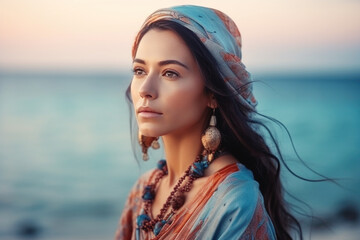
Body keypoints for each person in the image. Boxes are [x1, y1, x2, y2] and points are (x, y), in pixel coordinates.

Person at [115, 5, 303, 240]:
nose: (145, 90)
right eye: (139, 70)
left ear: (212, 93)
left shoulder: (234, 201)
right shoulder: (144, 190)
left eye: (170, 73)